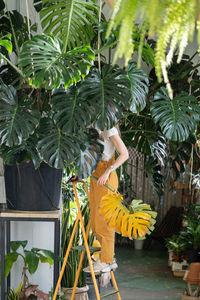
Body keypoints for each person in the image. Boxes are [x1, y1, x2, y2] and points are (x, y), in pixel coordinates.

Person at [84, 126, 129, 273]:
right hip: (95, 174)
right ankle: (109, 259)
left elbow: (125, 154)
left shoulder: (108, 127)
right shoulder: (91, 125)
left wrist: (109, 171)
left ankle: (106, 260)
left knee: (104, 221)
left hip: (105, 176)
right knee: (95, 222)